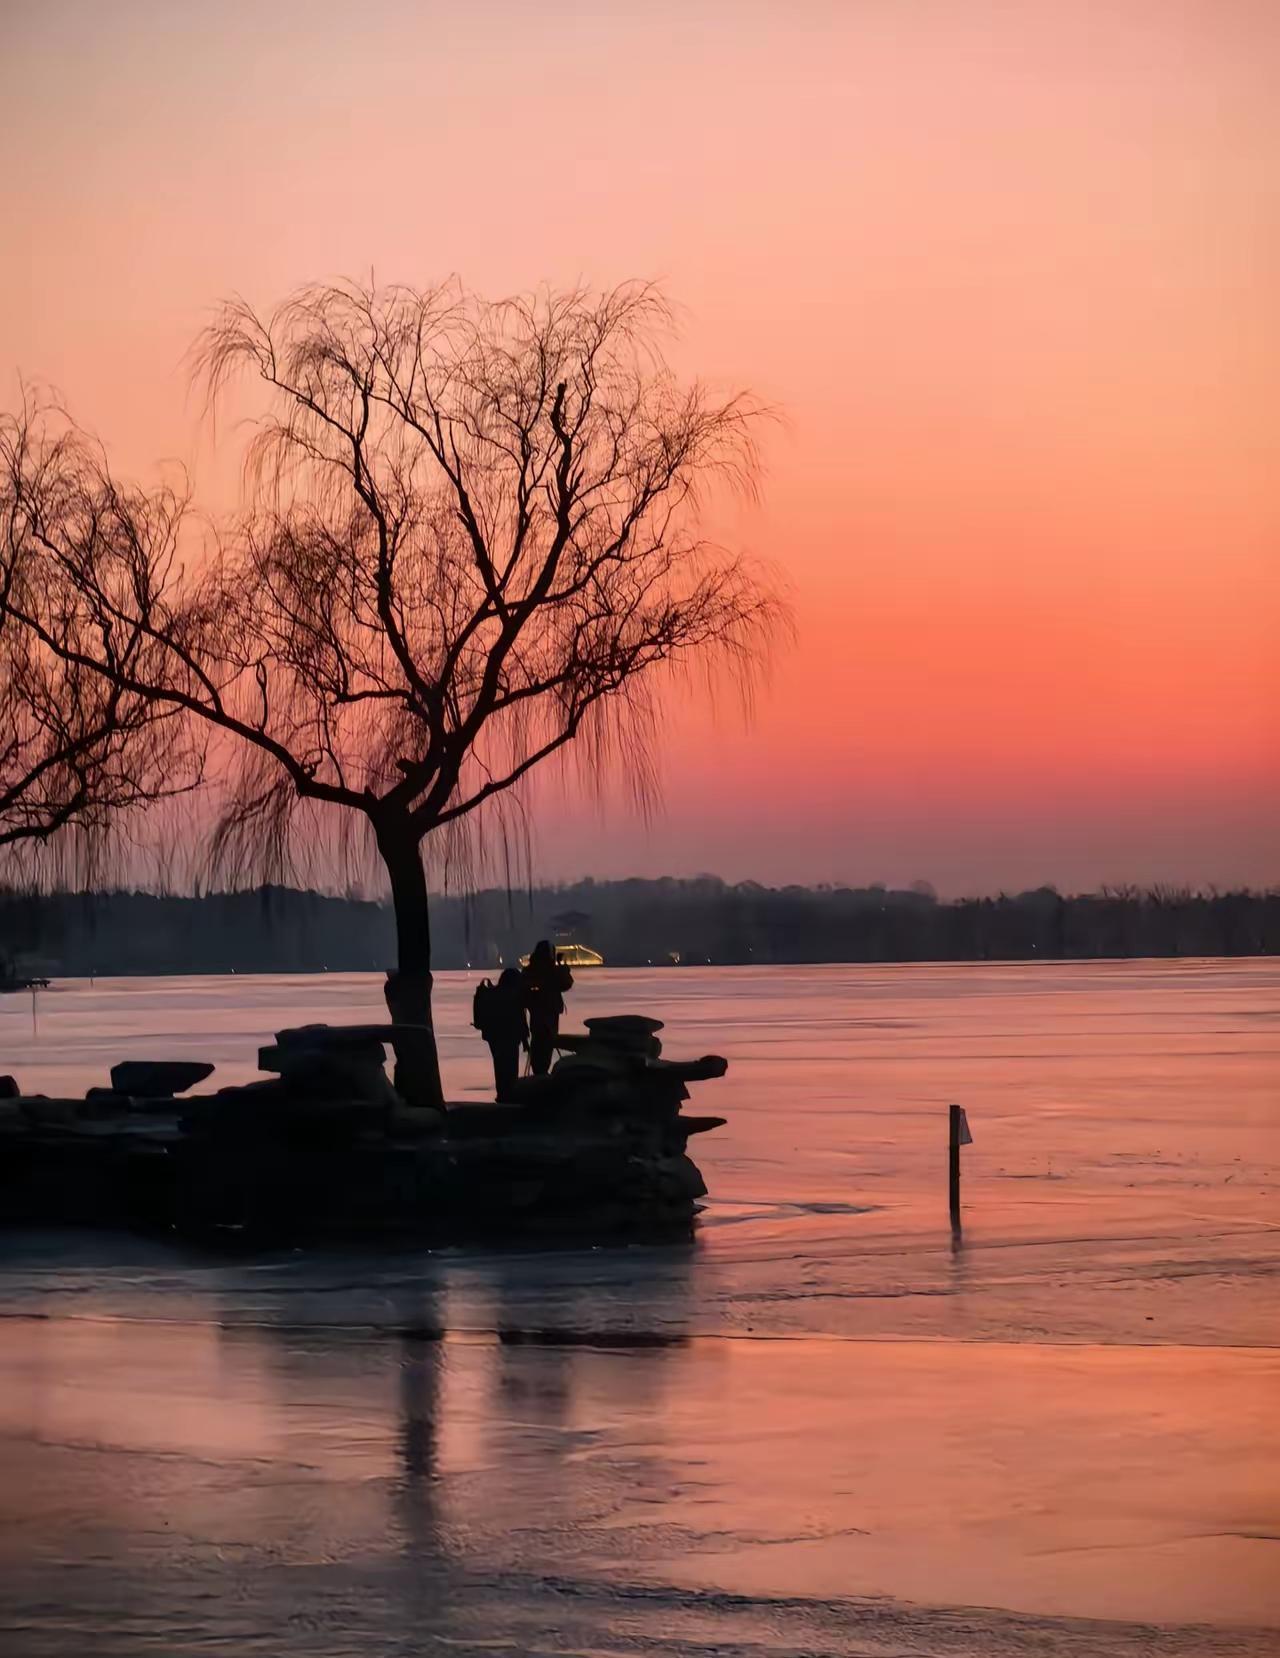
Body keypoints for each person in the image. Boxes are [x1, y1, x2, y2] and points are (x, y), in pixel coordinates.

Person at [521, 939, 573, 1077]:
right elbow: (566, 983)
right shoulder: (552, 971)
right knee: (546, 1043)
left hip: (537, 1014)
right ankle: (541, 1073)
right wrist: (561, 966)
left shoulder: (530, 970)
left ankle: (539, 1073)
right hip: (549, 1013)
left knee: (539, 1043)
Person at [477, 968, 529, 1102]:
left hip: (493, 1035)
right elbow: (520, 1018)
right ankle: (509, 1095)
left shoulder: (493, 993)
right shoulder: (514, 995)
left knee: (499, 1065)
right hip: (510, 1036)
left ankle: (502, 1094)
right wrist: (525, 1041)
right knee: (511, 1067)